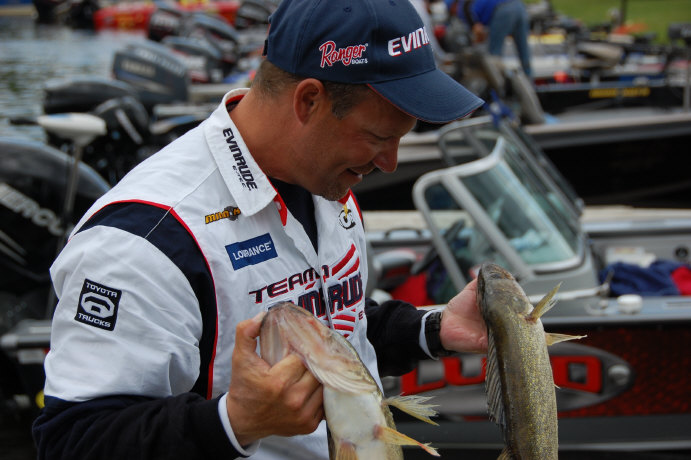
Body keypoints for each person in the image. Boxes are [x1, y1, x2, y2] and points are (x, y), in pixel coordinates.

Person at [33, 0, 487, 458]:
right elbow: (70, 441)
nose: (390, 162)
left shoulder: (323, 177)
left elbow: (334, 323)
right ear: (309, 101)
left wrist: (434, 329)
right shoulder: (149, 239)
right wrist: (234, 421)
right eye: (379, 137)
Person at [448, 0, 533, 77]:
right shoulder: (470, 3)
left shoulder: (463, 8)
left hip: (503, 10)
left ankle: (498, 85)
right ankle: (529, 81)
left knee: (494, 54)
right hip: (519, 6)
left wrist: (476, 41)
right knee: (523, 49)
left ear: (453, 5)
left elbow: (477, 30)